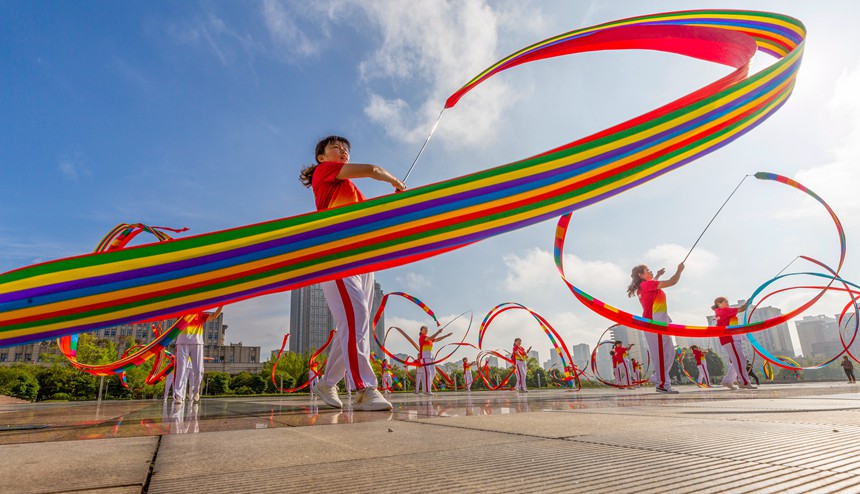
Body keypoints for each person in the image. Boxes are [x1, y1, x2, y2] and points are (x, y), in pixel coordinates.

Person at [301, 136, 405, 412]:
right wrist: (394, 180)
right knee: (356, 317)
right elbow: (372, 169)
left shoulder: (353, 193)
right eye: (336, 148)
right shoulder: (324, 173)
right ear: (322, 158)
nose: (343, 151)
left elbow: (371, 222)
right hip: (337, 256)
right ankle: (364, 389)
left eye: (346, 148)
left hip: (362, 261)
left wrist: (395, 201)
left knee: (354, 323)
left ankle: (327, 382)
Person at [627, 263, 684, 394]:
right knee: (661, 356)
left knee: (669, 353)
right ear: (641, 275)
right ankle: (663, 384)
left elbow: (653, 285)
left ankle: (658, 377)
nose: (650, 271)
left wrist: (657, 275)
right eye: (648, 270)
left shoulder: (646, 286)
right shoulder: (646, 285)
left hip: (661, 323)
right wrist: (679, 270)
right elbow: (672, 281)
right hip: (655, 323)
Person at [174, 306, 222, 404]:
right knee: (181, 369)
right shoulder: (181, 312)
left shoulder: (200, 314)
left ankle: (195, 391)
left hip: (197, 343)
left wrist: (221, 304)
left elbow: (215, 315)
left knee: (199, 370)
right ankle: (178, 395)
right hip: (182, 342)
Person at [713, 297, 756, 390]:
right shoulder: (724, 311)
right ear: (719, 303)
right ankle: (744, 382)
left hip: (730, 339)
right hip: (730, 338)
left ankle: (728, 380)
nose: (727, 303)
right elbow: (741, 309)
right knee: (740, 360)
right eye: (725, 302)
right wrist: (748, 303)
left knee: (737, 361)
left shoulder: (719, 312)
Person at [416, 325, 452, 396]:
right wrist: (438, 332)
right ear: (421, 331)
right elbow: (431, 338)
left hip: (431, 358)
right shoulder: (422, 337)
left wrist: (446, 336)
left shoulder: (429, 339)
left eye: (427, 329)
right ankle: (426, 390)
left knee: (433, 373)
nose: (426, 330)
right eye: (425, 329)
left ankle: (428, 389)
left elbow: (436, 339)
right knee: (428, 374)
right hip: (425, 358)